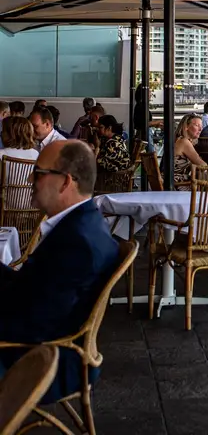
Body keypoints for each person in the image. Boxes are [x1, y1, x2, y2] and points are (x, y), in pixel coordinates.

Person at [0, 140, 120, 401]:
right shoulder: (85, 224)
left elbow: (34, 324)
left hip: (45, 362)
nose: (32, 180)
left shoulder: (77, 242)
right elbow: (33, 290)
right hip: (47, 346)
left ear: (66, 182)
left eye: (39, 173)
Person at [173, 114, 205, 185]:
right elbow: (202, 165)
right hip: (176, 184)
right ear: (186, 127)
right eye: (197, 125)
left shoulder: (178, 139)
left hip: (169, 181)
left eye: (201, 126)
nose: (200, 129)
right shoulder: (184, 142)